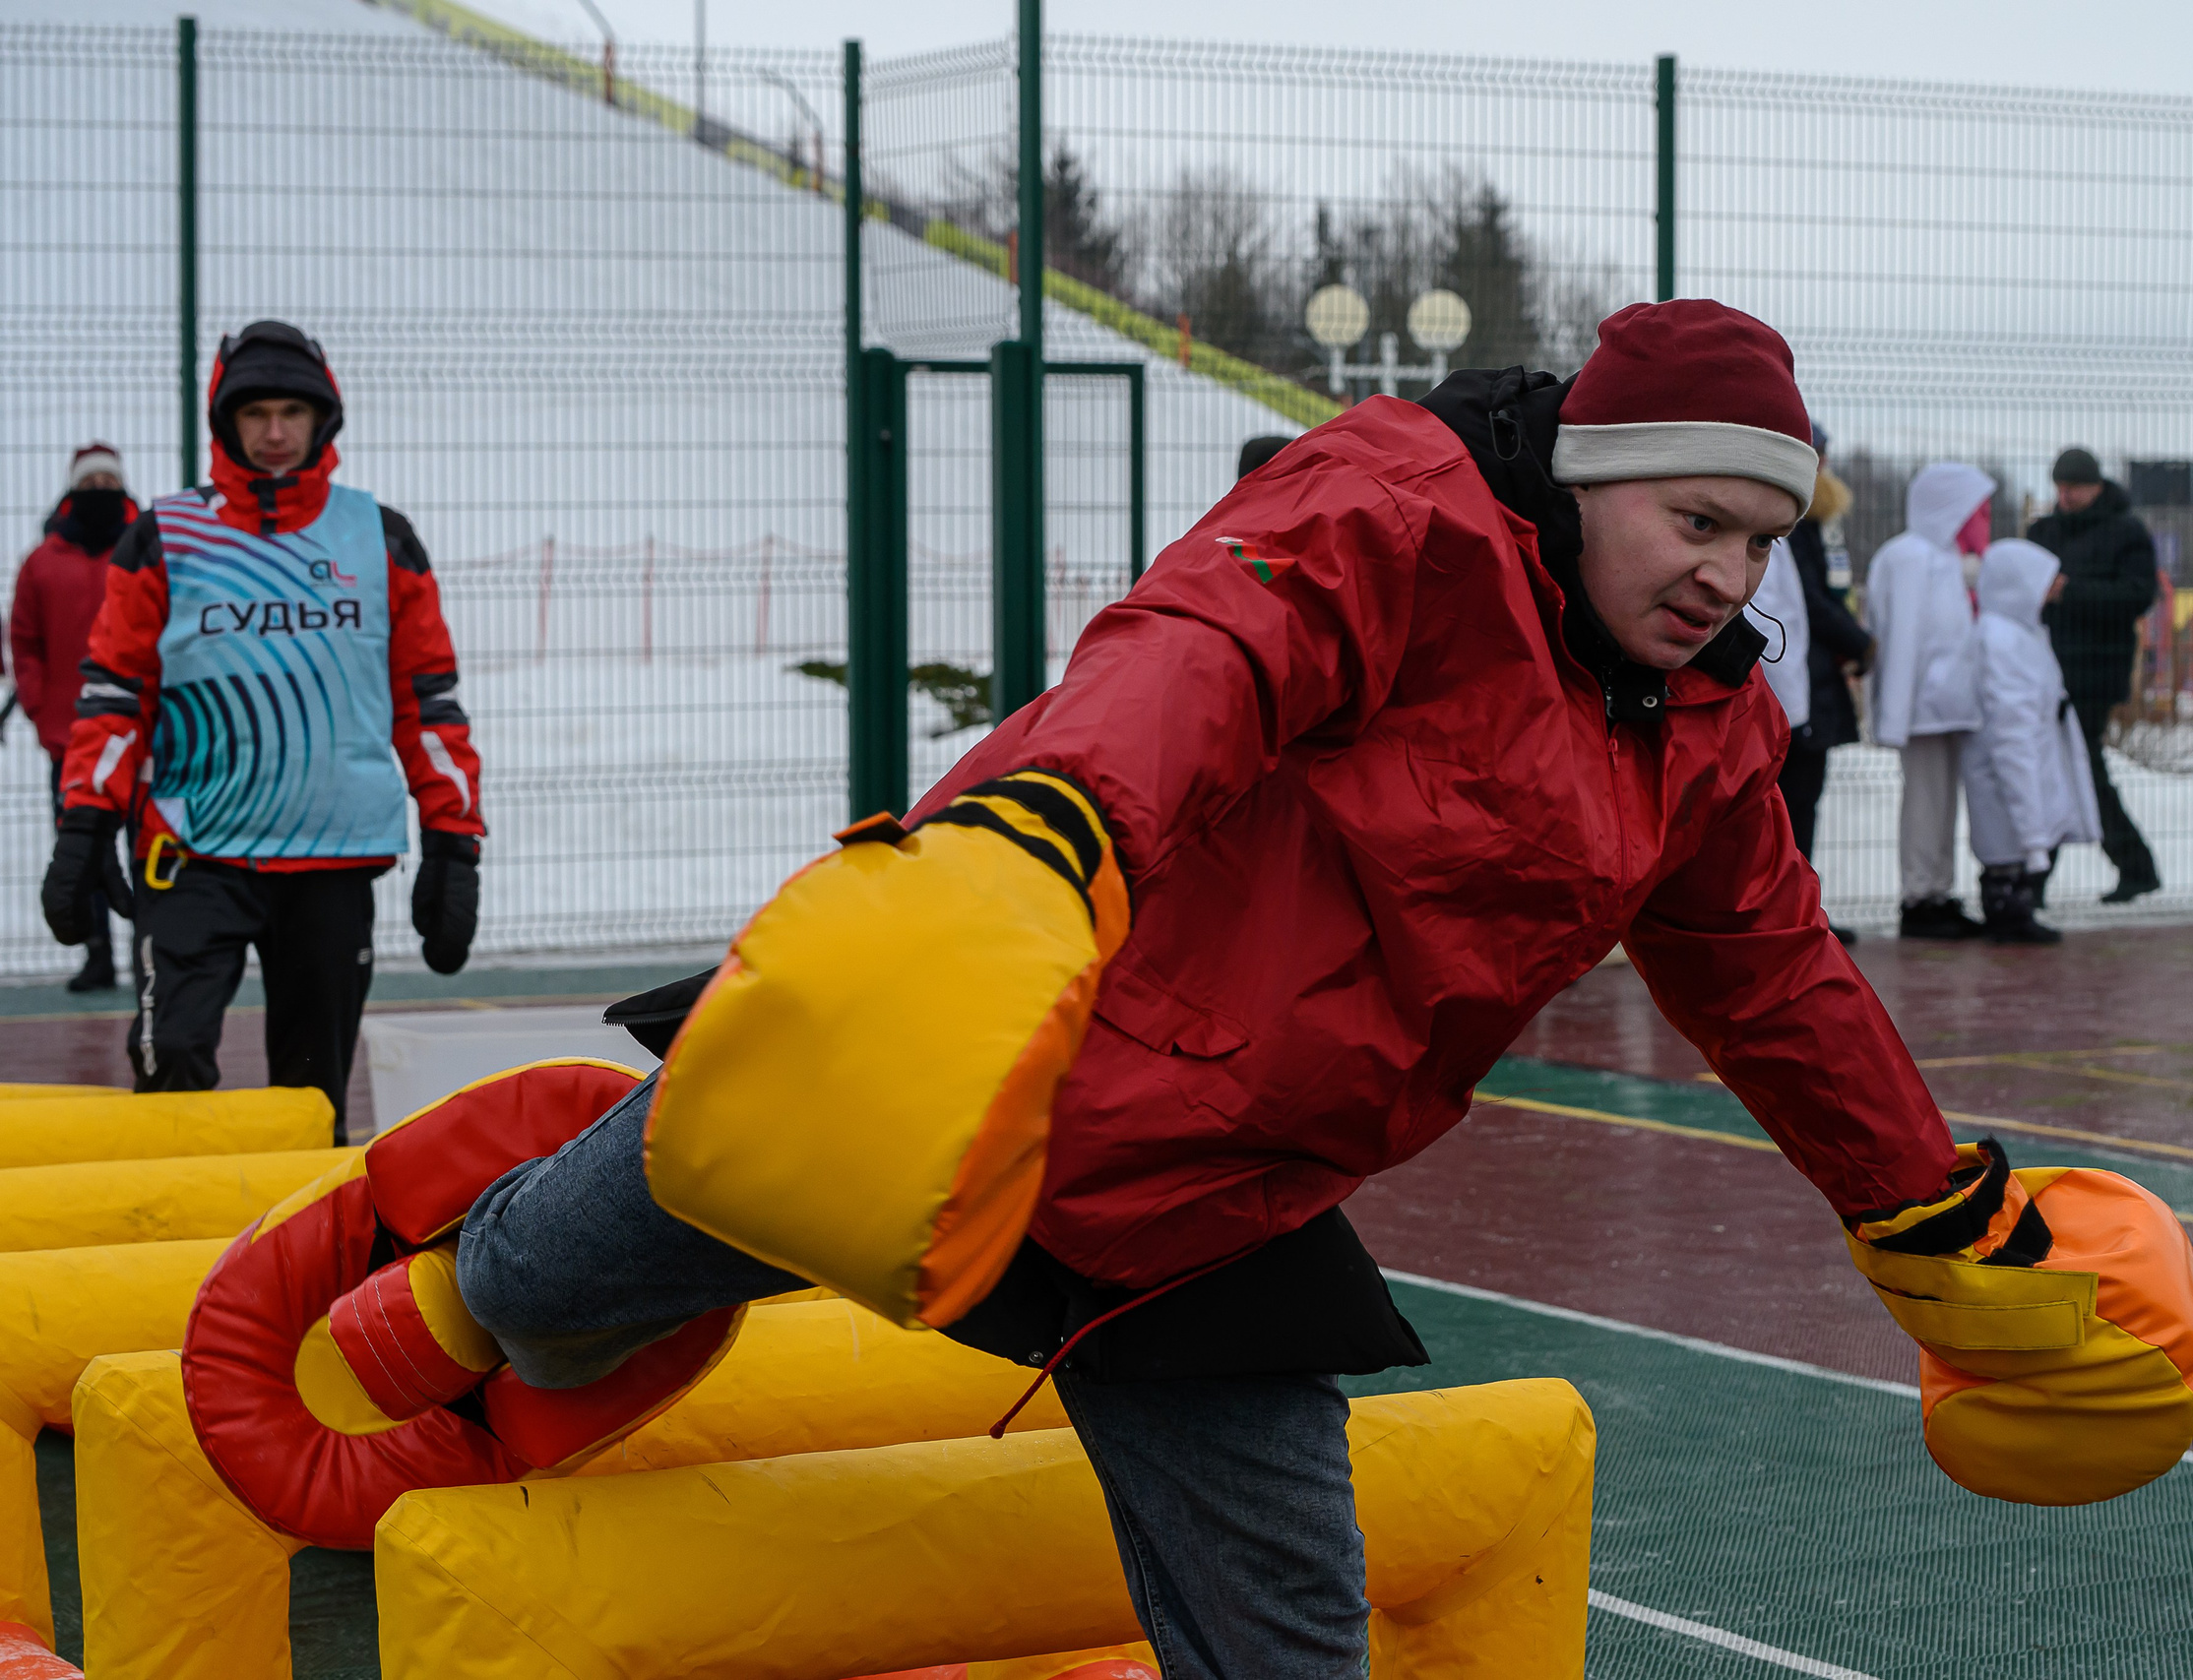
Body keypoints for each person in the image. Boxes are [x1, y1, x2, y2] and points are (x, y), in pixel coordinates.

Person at [441, 301, 2020, 1680]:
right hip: (975, 1058)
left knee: (1289, 1636)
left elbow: (1775, 978)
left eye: (1760, 540)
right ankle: (450, 1269)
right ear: (1596, 472)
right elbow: (1205, 651)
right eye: (1695, 520)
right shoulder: (1398, 513)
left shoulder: (1706, 724)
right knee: (523, 1287)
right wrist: (1044, 828)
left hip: (1204, 1195)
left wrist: (1925, 1207)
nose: (1725, 574)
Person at [44, 321, 484, 1139]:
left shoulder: (381, 539)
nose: (275, 432)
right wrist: (84, 826)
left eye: (292, 411)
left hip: (334, 856)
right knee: (168, 1060)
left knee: (313, 1101)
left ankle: (301, 1263)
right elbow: (115, 695)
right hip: (193, 851)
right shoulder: (164, 538)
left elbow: (428, 704)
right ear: (225, 422)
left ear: (325, 419)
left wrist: (453, 843)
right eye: (255, 414)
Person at [12, 443, 139, 992]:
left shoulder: (144, 551)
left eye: (108, 480)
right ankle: (96, 955)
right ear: (71, 489)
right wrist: (41, 711)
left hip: (140, 737)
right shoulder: (41, 563)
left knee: (145, 846)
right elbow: (24, 642)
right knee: (82, 850)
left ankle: (149, 952)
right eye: (90, 482)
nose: (99, 490)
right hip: (68, 736)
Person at [1866, 461, 1993, 939]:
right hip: (1922, 708)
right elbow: (1900, 640)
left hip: (1949, 707)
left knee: (1943, 805)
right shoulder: (1909, 558)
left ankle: (1938, 891)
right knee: (1924, 802)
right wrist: (1895, 715)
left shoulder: (1947, 561)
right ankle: (1919, 896)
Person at [2028, 448, 2162, 902]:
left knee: (2075, 766)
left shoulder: (2126, 532)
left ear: (2097, 486)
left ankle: (2036, 878)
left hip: (2096, 670)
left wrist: (2071, 591)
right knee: (2070, 769)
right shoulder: (2043, 531)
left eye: (2075, 489)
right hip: (2047, 668)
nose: (2065, 497)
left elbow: (2138, 595)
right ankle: (2130, 867)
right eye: (2060, 488)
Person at [1962, 539, 2100, 944]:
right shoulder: (2002, 638)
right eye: (2047, 578)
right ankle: (2006, 909)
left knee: (2015, 833)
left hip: (2029, 756)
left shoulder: (2022, 631)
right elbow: (2009, 725)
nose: (2059, 584)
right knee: (2006, 835)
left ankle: (2016, 904)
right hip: (2008, 763)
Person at [1765, 423, 1871, 945]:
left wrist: (1849, 646)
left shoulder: (1822, 518)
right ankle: (1785, 913)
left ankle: (1801, 908)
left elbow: (1832, 594)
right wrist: (1859, 643)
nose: (1820, 464)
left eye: (1823, 454)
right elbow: (1804, 602)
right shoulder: (1786, 520)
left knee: (1803, 801)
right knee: (1782, 805)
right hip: (1792, 680)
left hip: (1818, 677)